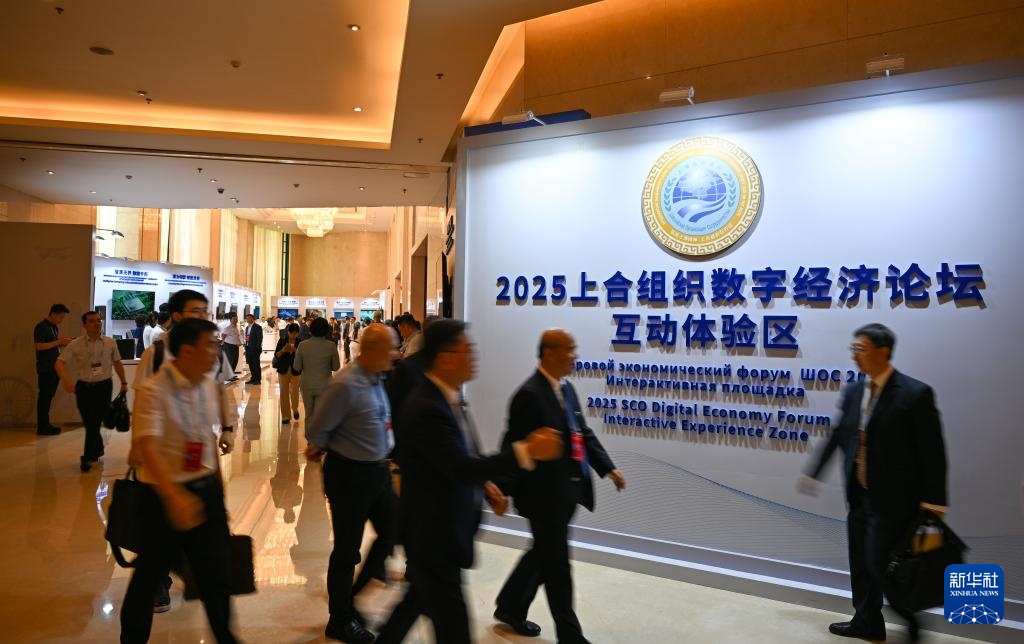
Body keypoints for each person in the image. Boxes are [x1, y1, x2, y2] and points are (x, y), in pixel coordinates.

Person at [375, 319, 564, 644]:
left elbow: (454, 459)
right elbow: (460, 466)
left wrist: (485, 484)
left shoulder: (447, 398)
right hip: (434, 537)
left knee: (413, 605)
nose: (474, 357)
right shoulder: (427, 407)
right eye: (467, 350)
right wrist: (526, 450)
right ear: (446, 357)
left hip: (440, 536)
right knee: (454, 629)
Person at [799, 323, 947, 643]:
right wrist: (815, 471)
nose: (855, 355)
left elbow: (933, 451)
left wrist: (935, 500)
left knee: (881, 565)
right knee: (861, 562)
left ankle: (910, 619)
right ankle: (867, 621)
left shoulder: (914, 393)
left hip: (895, 499)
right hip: (859, 493)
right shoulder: (854, 391)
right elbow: (839, 434)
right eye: (853, 349)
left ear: (883, 352)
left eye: (861, 349)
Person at [493, 328, 624, 643]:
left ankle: (510, 606)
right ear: (550, 353)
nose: (574, 356)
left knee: (543, 554)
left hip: (567, 491)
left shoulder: (566, 389)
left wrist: (608, 468)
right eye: (569, 350)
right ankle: (570, 636)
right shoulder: (529, 394)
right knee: (557, 567)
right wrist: (500, 489)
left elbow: (582, 434)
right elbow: (513, 446)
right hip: (542, 496)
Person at [120, 318, 238, 644]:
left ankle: (226, 637)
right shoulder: (154, 390)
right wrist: (175, 497)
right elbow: (147, 446)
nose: (217, 351)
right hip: (162, 496)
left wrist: (218, 492)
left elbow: (206, 440)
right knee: (149, 575)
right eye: (210, 345)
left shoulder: (207, 385)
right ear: (187, 351)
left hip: (204, 489)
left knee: (216, 575)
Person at [303, 324, 399, 643]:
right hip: (349, 476)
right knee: (347, 551)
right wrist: (321, 445)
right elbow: (317, 429)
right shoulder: (345, 384)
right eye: (389, 348)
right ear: (369, 350)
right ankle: (339, 620)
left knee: (391, 532)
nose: (395, 354)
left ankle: (351, 598)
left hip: (378, 472)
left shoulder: (376, 378)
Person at [54, 310, 129, 472]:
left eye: (99, 320)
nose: (97, 324)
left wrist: (124, 382)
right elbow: (58, 363)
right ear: (84, 325)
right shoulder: (75, 344)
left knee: (93, 422)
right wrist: (66, 381)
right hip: (83, 388)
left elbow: (117, 363)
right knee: (90, 422)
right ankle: (99, 446)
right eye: (92, 321)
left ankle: (87, 457)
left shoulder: (110, 342)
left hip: (104, 387)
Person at [34, 303, 72, 435]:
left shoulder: (53, 327)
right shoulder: (41, 327)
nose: (61, 320)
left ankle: (45, 424)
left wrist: (63, 344)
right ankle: (42, 427)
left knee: (48, 397)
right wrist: (59, 342)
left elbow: (52, 346)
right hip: (46, 368)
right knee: (44, 397)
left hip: (54, 367)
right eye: (61, 317)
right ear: (54, 314)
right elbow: (39, 346)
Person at [293, 317, 340, 420]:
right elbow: (336, 367)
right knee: (322, 417)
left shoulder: (302, 345)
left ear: (311, 329)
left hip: (307, 385)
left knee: (309, 415)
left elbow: (297, 367)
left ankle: (309, 430)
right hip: (325, 385)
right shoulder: (331, 345)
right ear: (326, 330)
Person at [274, 323, 303, 424]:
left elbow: (302, 356)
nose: (294, 335)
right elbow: (277, 355)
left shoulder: (300, 342)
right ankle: (285, 416)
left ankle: (295, 408)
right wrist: (283, 350)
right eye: (292, 333)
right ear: (288, 332)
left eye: (296, 333)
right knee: (284, 392)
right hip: (283, 369)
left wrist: (295, 350)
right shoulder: (282, 341)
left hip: (296, 370)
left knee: (295, 391)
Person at [243, 313, 263, 385]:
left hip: (255, 349)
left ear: (253, 319)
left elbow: (260, 338)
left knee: (256, 364)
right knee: (251, 364)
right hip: (248, 348)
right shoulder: (247, 327)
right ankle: (253, 378)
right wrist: (245, 346)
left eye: (249, 318)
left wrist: (257, 348)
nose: (248, 319)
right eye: (247, 318)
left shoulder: (257, 327)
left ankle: (258, 379)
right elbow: (247, 337)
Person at [219, 313, 241, 378]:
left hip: (235, 346)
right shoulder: (228, 327)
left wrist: (239, 342)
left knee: (235, 360)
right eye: (234, 319)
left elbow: (237, 336)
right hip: (229, 346)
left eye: (236, 319)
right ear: (230, 320)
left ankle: (231, 375)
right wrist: (223, 342)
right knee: (230, 361)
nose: (236, 320)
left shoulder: (235, 327)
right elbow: (223, 334)